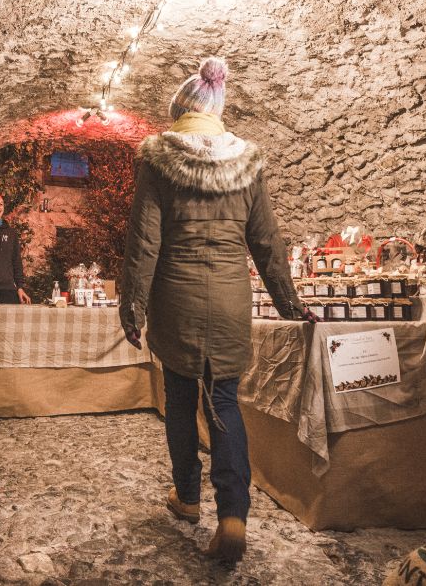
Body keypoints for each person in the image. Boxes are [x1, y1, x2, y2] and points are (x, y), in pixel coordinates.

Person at [118, 56, 308, 563]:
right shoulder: (246, 163)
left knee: (181, 401)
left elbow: (144, 242)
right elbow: (266, 241)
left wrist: (132, 307)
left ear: (180, 110)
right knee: (224, 403)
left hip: (176, 301)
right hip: (229, 302)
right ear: (217, 111)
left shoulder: (157, 161)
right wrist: (290, 303)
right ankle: (233, 516)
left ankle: (187, 497)